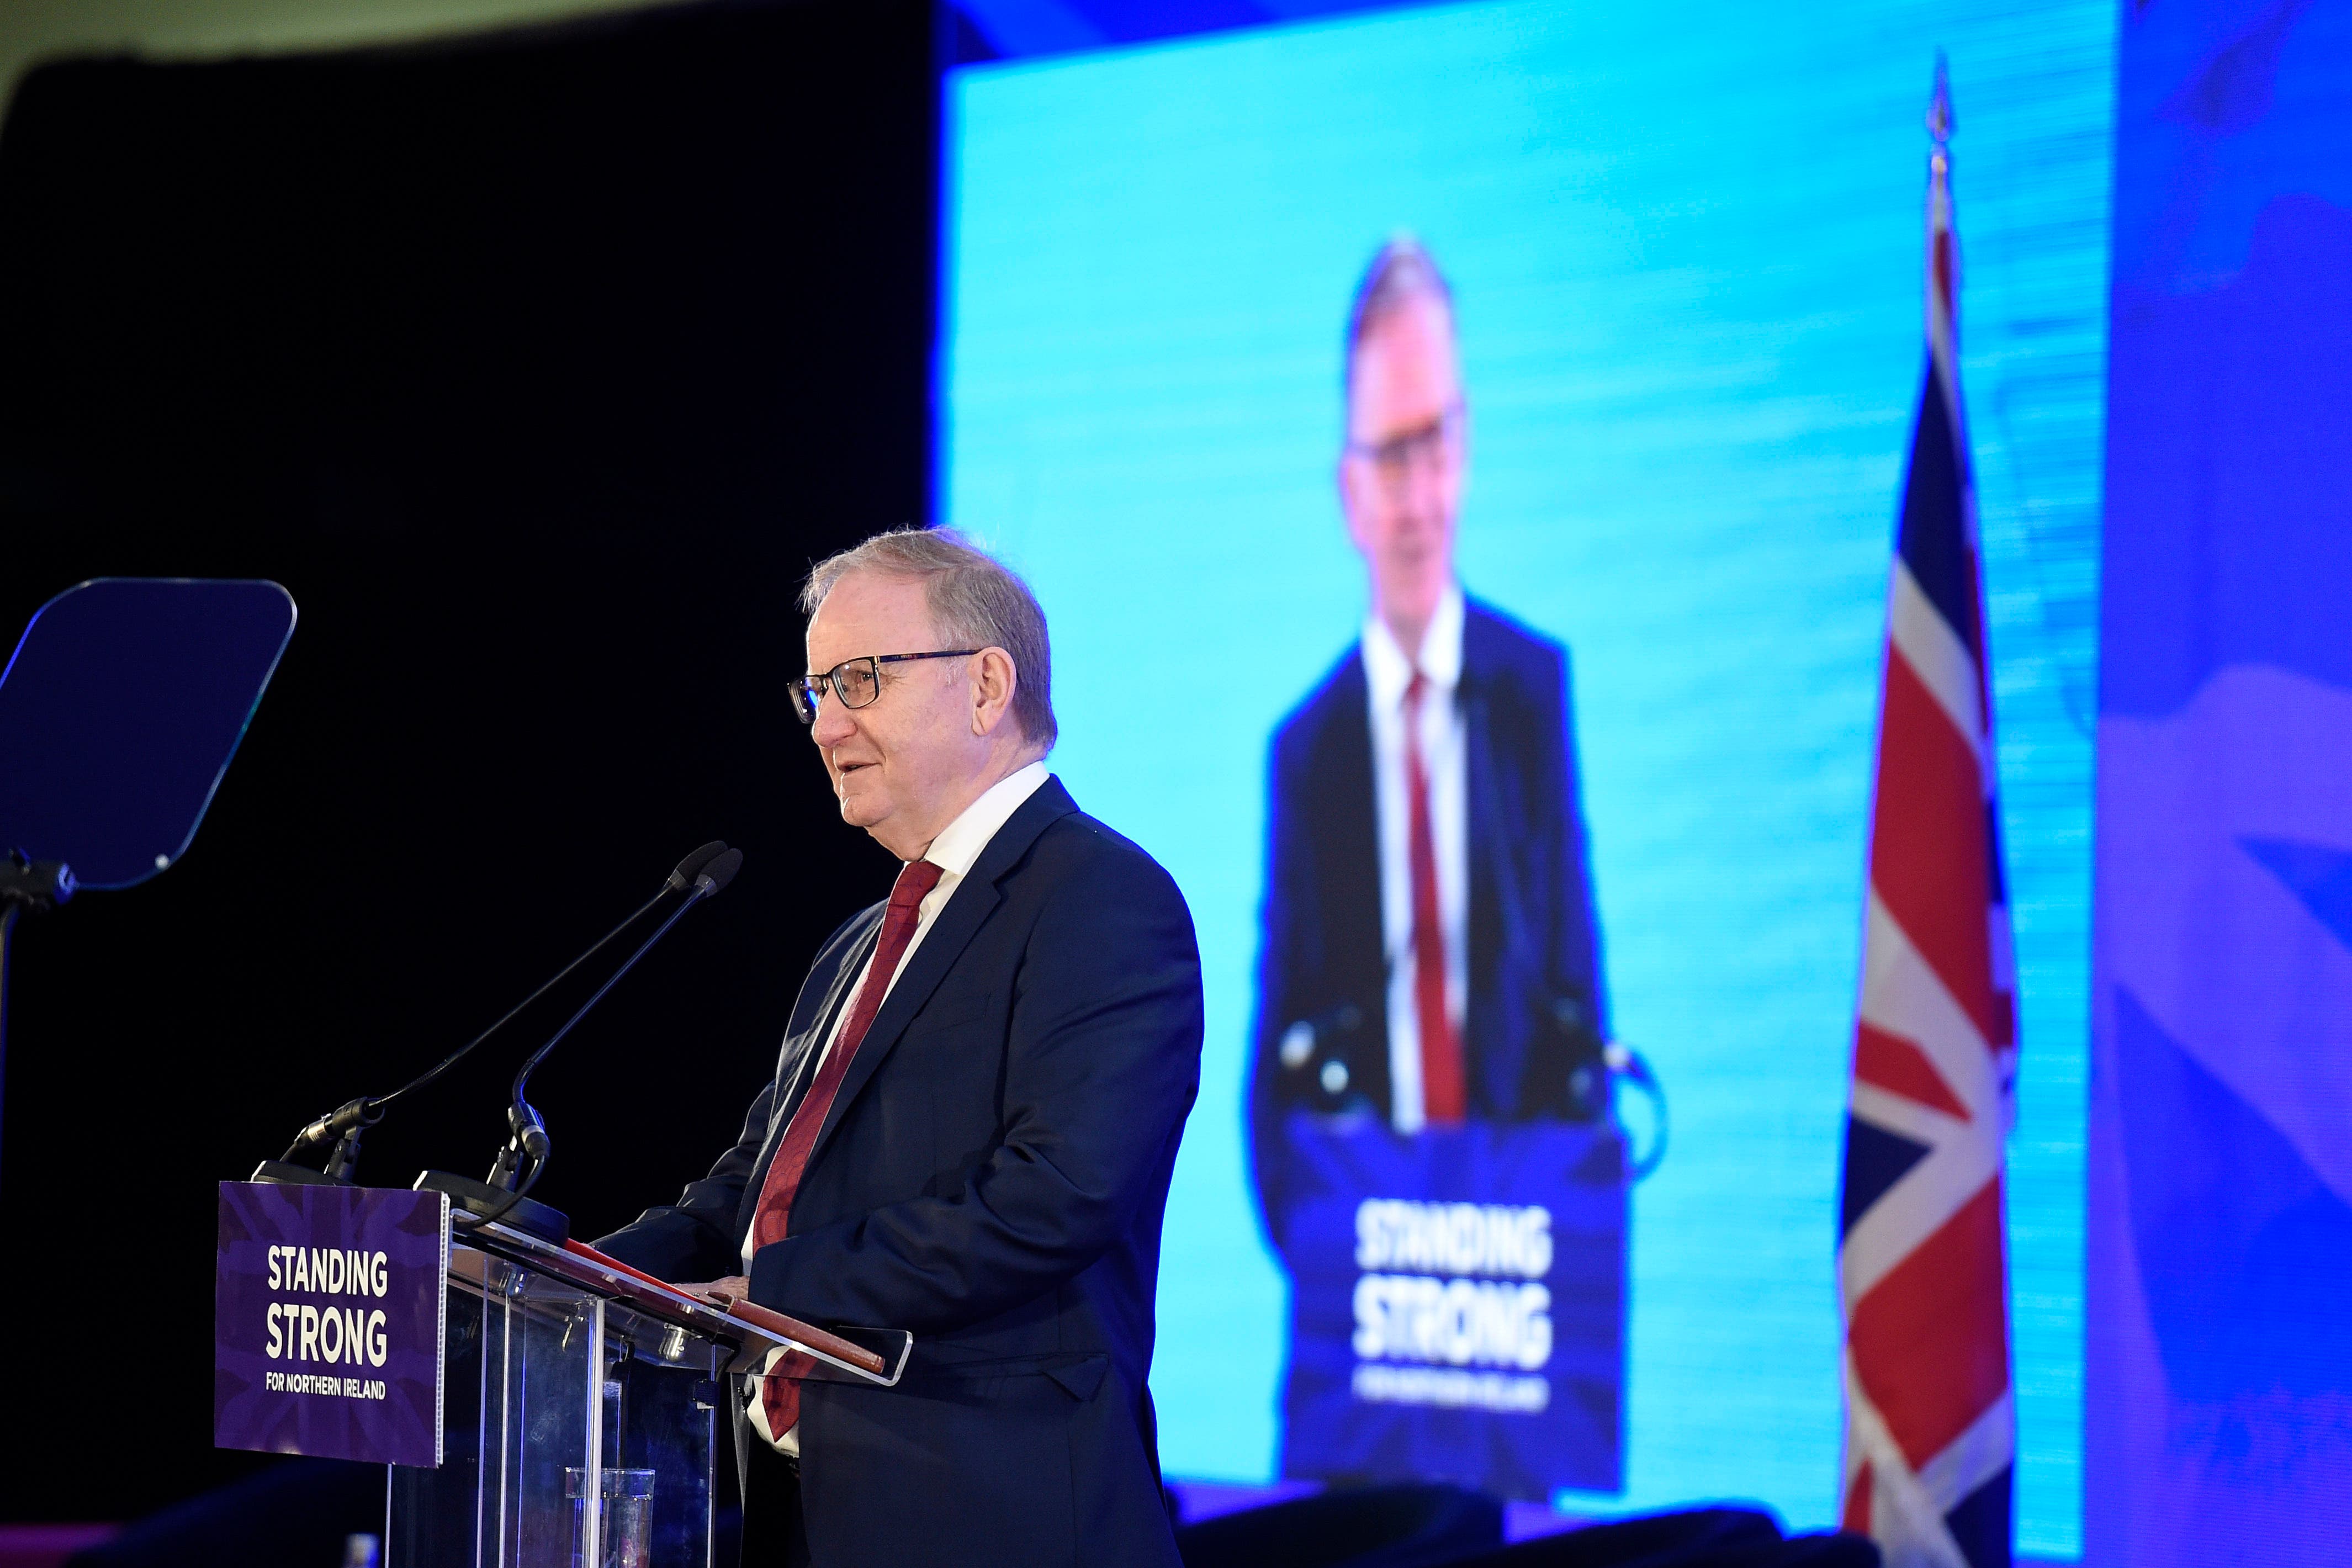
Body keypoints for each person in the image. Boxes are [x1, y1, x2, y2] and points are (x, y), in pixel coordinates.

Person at [595, 528, 1203, 1567]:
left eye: (859, 681)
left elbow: (1058, 1193)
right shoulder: (859, 943)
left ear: (987, 685)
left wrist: (780, 1292)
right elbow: (748, 1194)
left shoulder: (1101, 898)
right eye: (815, 692)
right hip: (814, 1513)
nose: (825, 725)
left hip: (1000, 1518)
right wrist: (566, 1276)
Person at [1249, 235, 1609, 1234]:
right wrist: (1331, 1244)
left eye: (1436, 444)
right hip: (1368, 1254)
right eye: (1390, 455)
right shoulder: (1308, 748)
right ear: (1348, 490)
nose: (1418, 497)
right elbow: (1277, 1050)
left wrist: (1560, 1215)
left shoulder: (1532, 692)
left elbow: (1574, 992)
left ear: (1469, 450)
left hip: (1521, 1243)